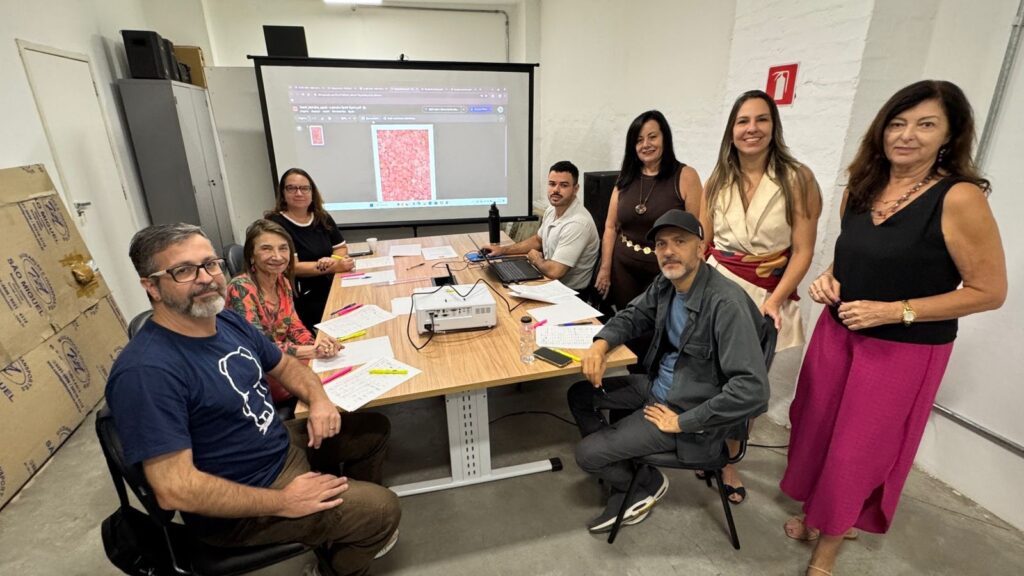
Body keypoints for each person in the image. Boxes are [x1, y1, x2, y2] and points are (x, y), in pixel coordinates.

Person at [780, 80, 1006, 576]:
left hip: (903, 349)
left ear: (950, 135)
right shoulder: (861, 187)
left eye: (926, 124)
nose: (907, 135)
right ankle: (821, 513)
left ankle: (828, 549)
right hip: (839, 333)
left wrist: (894, 310)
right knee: (816, 428)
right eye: (898, 124)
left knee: (856, 449)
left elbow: (989, 291)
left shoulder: (959, 197)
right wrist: (826, 280)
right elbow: (850, 261)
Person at [106, 223, 401, 576]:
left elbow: (287, 366)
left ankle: (336, 528)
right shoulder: (146, 373)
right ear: (151, 286)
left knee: (372, 430)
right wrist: (284, 502)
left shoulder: (225, 321)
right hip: (239, 506)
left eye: (210, 263)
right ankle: (338, 564)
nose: (206, 278)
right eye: (184, 270)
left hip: (273, 447)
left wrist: (319, 400)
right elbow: (176, 490)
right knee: (382, 510)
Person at [567, 210, 770, 533]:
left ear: (701, 248)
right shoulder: (667, 283)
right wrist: (600, 344)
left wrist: (682, 422)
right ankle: (625, 467)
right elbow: (633, 315)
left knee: (587, 456)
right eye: (661, 244)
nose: (669, 251)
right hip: (662, 386)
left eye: (680, 241)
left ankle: (639, 484)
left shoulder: (725, 304)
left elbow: (753, 391)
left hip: (687, 411)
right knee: (580, 394)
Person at [699, 90, 823, 503]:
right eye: (742, 121)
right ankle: (706, 447)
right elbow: (705, 244)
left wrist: (776, 298)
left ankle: (730, 459)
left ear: (774, 127)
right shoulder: (716, 179)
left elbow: (803, 250)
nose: (751, 129)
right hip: (718, 288)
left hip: (768, 292)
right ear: (731, 131)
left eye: (761, 120)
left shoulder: (797, 178)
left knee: (747, 385)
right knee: (711, 375)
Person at [593, 110, 702, 310]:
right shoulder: (625, 178)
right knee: (628, 326)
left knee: (660, 330)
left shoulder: (686, 176)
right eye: (639, 140)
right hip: (623, 269)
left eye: (652, 137)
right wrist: (605, 268)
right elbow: (610, 226)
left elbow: (694, 231)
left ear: (665, 138)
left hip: (666, 272)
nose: (646, 145)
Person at [226, 219, 340, 407]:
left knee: (334, 363)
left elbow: (294, 325)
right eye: (266, 249)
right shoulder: (241, 288)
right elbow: (258, 347)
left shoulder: (282, 280)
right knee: (329, 383)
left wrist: (317, 344)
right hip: (259, 370)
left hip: (283, 359)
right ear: (251, 255)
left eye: (283, 248)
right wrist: (309, 352)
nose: (277, 256)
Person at [484, 161, 599, 290]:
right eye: (552, 184)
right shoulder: (552, 209)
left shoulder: (578, 223)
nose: (556, 190)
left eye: (564, 185)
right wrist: (502, 251)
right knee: (493, 281)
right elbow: (538, 240)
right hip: (546, 280)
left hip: (569, 293)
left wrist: (536, 259)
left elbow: (555, 271)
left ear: (575, 189)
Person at [267, 168, 354, 330]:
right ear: (283, 193)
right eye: (292, 188)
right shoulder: (276, 223)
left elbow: (341, 248)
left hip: (332, 283)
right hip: (304, 296)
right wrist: (333, 267)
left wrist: (332, 260)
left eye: (305, 188)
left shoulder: (321, 216)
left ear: (312, 191)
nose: (299, 193)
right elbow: (291, 266)